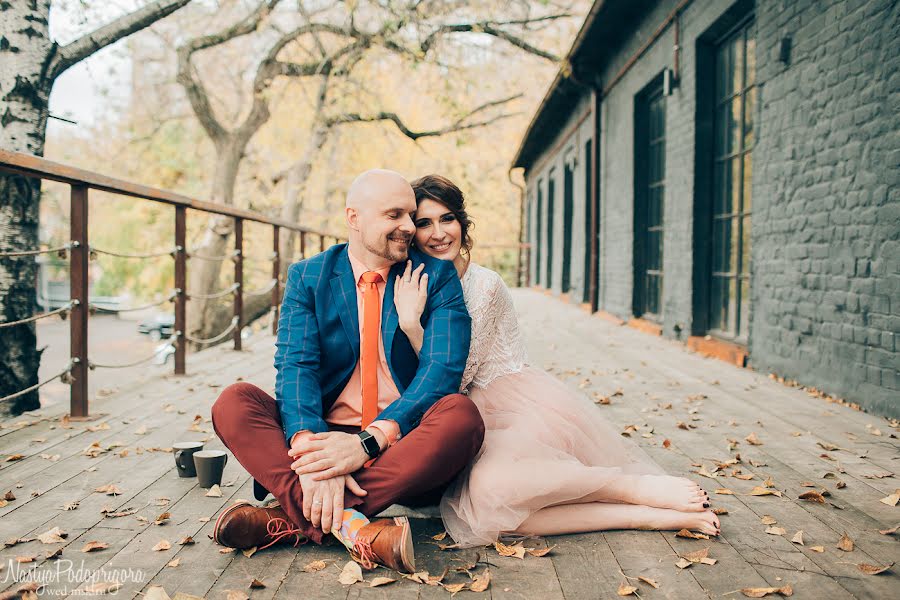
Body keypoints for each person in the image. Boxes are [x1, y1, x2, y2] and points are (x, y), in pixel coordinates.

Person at [393, 174, 720, 547]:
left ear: (462, 224)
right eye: (425, 223)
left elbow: (458, 373)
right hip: (459, 412)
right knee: (489, 513)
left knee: (490, 494)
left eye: (447, 219)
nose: (438, 233)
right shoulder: (413, 281)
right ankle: (643, 517)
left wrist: (411, 325)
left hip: (510, 402)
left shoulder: (484, 285)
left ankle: (631, 488)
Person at [210, 169, 483, 572]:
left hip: (399, 442)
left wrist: (367, 444)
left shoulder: (436, 276)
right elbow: (295, 366)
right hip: (326, 434)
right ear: (354, 218)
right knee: (234, 402)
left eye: (411, 215)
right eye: (395, 215)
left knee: (462, 416)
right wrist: (312, 452)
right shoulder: (309, 276)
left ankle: (290, 520)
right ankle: (356, 526)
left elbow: (441, 372)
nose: (409, 227)